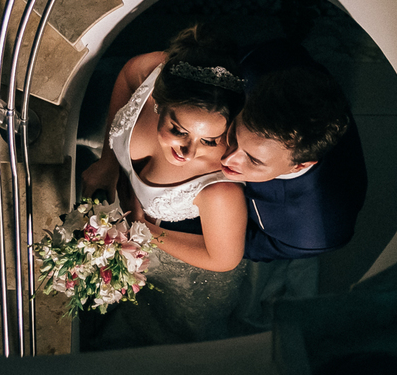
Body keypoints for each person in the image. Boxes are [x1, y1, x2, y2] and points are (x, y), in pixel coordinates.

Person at [80, 25, 248, 272]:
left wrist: (142, 226)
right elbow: (127, 75)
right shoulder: (159, 70)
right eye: (179, 130)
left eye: (209, 140)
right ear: (158, 100)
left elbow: (223, 260)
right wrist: (108, 163)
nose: (188, 152)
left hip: (156, 254)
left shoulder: (221, 189)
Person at [227, 38, 368, 261]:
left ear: (299, 166)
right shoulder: (260, 62)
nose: (227, 158)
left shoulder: (313, 234)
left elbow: (236, 247)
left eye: (254, 160)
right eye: (234, 136)